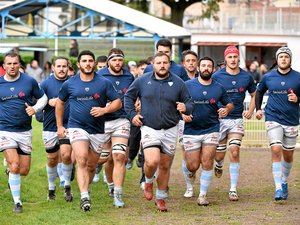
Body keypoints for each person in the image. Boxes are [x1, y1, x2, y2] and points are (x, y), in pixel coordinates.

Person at [124, 52, 193, 212]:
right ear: (153, 65)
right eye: (158, 63)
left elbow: (189, 102)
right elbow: (128, 97)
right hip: (149, 127)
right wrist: (132, 115)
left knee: (165, 165)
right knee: (152, 161)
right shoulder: (142, 80)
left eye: (165, 62)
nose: (162, 65)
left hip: (170, 128)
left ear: (170, 64)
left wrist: (186, 108)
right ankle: (148, 181)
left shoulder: (179, 83)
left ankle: (160, 197)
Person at [55, 50, 122, 212]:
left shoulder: (104, 82)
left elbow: (118, 102)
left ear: (94, 63)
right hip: (77, 127)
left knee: (92, 165)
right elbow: (59, 103)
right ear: (78, 64)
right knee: (81, 159)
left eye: (90, 61)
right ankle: (84, 196)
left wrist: (104, 110)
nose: (88, 64)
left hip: (98, 130)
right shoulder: (70, 83)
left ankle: (87, 187)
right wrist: (59, 126)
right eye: (84, 61)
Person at [0, 51, 48, 213]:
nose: (12, 66)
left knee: (24, 170)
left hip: (24, 131)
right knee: (15, 165)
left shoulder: (29, 81)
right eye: (9, 64)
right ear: (4, 66)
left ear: (19, 64)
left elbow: (43, 98)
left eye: (15, 63)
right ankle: (18, 202)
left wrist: (35, 109)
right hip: (4, 130)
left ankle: (10, 171)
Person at [183, 56, 234, 206]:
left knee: (207, 161)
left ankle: (202, 195)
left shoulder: (218, 87)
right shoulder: (186, 85)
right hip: (191, 130)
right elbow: (177, 103)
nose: (206, 68)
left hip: (211, 129)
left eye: (209, 66)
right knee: (192, 165)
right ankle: (191, 173)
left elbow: (229, 103)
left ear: (213, 69)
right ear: (198, 68)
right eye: (203, 65)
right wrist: (182, 114)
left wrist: (226, 109)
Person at [255, 47, 300, 201]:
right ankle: (278, 188)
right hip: (273, 117)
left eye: (286, 56)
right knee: (276, 149)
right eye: (280, 56)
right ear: (277, 59)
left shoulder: (298, 77)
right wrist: (258, 109)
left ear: (290, 59)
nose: (283, 59)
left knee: (288, 155)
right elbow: (259, 91)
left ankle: (284, 181)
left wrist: (298, 99)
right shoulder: (268, 77)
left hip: (292, 120)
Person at [212, 46, 256, 201]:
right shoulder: (217, 76)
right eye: (229, 57)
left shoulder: (247, 77)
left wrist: (250, 111)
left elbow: (254, 94)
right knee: (218, 155)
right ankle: (218, 164)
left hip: (237, 119)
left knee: (235, 151)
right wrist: (218, 109)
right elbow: (211, 93)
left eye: (235, 57)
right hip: (220, 120)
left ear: (239, 59)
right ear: (226, 59)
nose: (232, 59)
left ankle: (233, 189)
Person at [96, 48, 134, 208]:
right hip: (103, 120)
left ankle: (118, 193)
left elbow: (133, 94)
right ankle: (109, 183)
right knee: (105, 158)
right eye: (114, 60)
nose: (117, 63)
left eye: (120, 60)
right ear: (109, 61)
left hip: (121, 120)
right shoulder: (100, 76)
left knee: (119, 156)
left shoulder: (129, 76)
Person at [40, 56, 73, 202]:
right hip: (50, 126)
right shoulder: (45, 83)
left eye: (64, 66)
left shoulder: (73, 82)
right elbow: (36, 102)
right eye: (58, 66)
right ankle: (51, 188)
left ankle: (67, 186)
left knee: (66, 155)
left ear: (68, 68)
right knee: (52, 159)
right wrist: (48, 102)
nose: (61, 69)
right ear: (53, 68)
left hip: (69, 125)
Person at [180, 50, 199, 198]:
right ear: (184, 63)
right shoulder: (178, 81)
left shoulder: (205, 78)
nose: (191, 63)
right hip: (184, 121)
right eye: (188, 60)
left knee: (200, 157)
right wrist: (182, 114)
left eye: (193, 60)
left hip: (204, 122)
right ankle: (189, 187)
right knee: (186, 153)